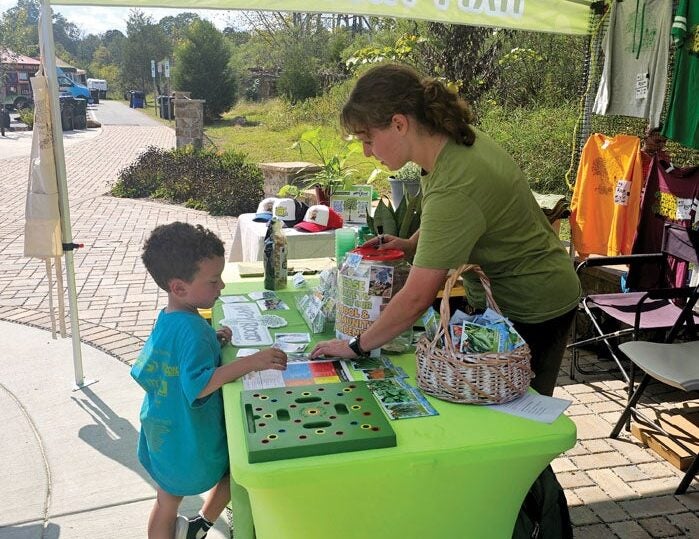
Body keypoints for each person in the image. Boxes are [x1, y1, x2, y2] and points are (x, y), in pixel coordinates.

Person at [311, 64, 581, 397]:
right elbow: (460, 218)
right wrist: (412, 245)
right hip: (512, 296)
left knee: (514, 420)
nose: (367, 152)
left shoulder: (456, 181)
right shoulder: (451, 144)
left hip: (535, 306)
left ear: (399, 124)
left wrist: (356, 345)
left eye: (369, 140)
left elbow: (415, 298)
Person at [131, 222, 288, 539]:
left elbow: (170, 362)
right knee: (237, 470)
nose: (222, 287)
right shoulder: (193, 331)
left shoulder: (170, 318)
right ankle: (202, 523)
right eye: (214, 281)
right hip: (188, 439)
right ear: (179, 288)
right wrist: (251, 362)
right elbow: (199, 385)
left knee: (166, 501)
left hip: (162, 431)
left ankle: (196, 528)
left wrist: (213, 341)